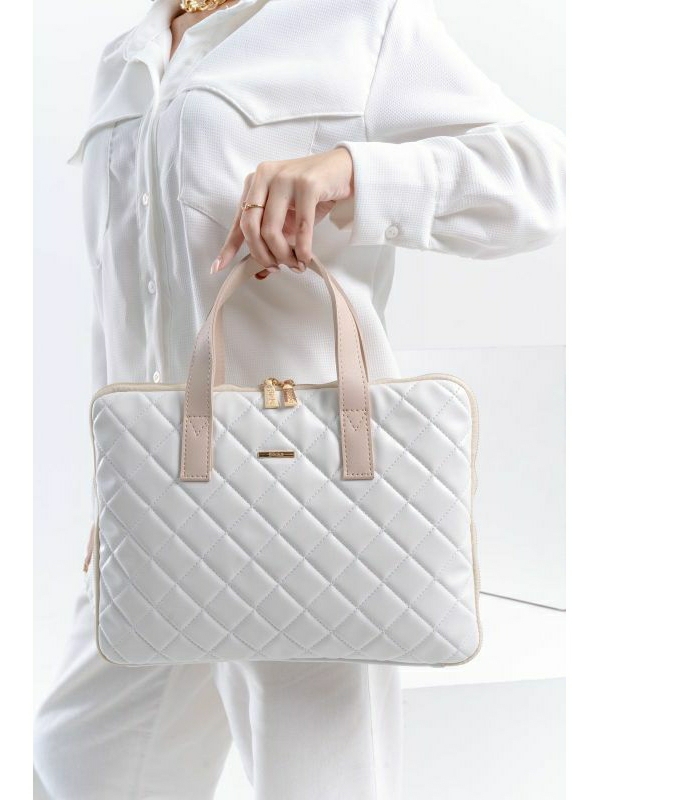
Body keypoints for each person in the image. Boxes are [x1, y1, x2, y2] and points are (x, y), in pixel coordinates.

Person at [33, 1, 566, 798]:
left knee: (315, 781)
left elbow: (543, 178)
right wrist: (111, 492)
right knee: (78, 760)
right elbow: (123, 299)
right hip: (157, 499)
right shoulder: (131, 54)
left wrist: (351, 170)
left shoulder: (356, 20)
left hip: (313, 489)